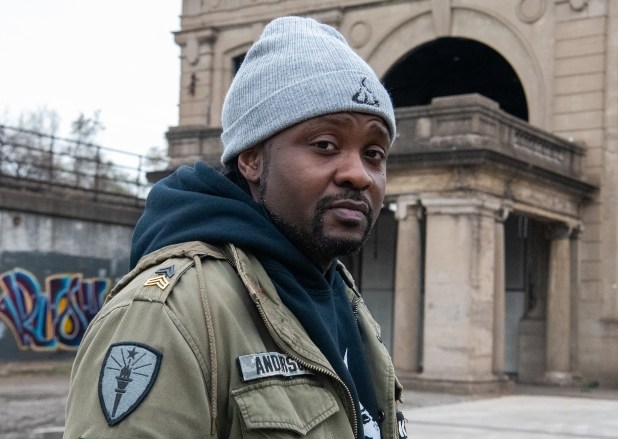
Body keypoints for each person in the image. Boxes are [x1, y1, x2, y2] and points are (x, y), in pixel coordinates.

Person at [65, 16, 407, 439]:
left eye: (374, 153)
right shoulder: (170, 315)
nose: (360, 174)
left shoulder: (343, 299)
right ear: (251, 159)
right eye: (325, 145)